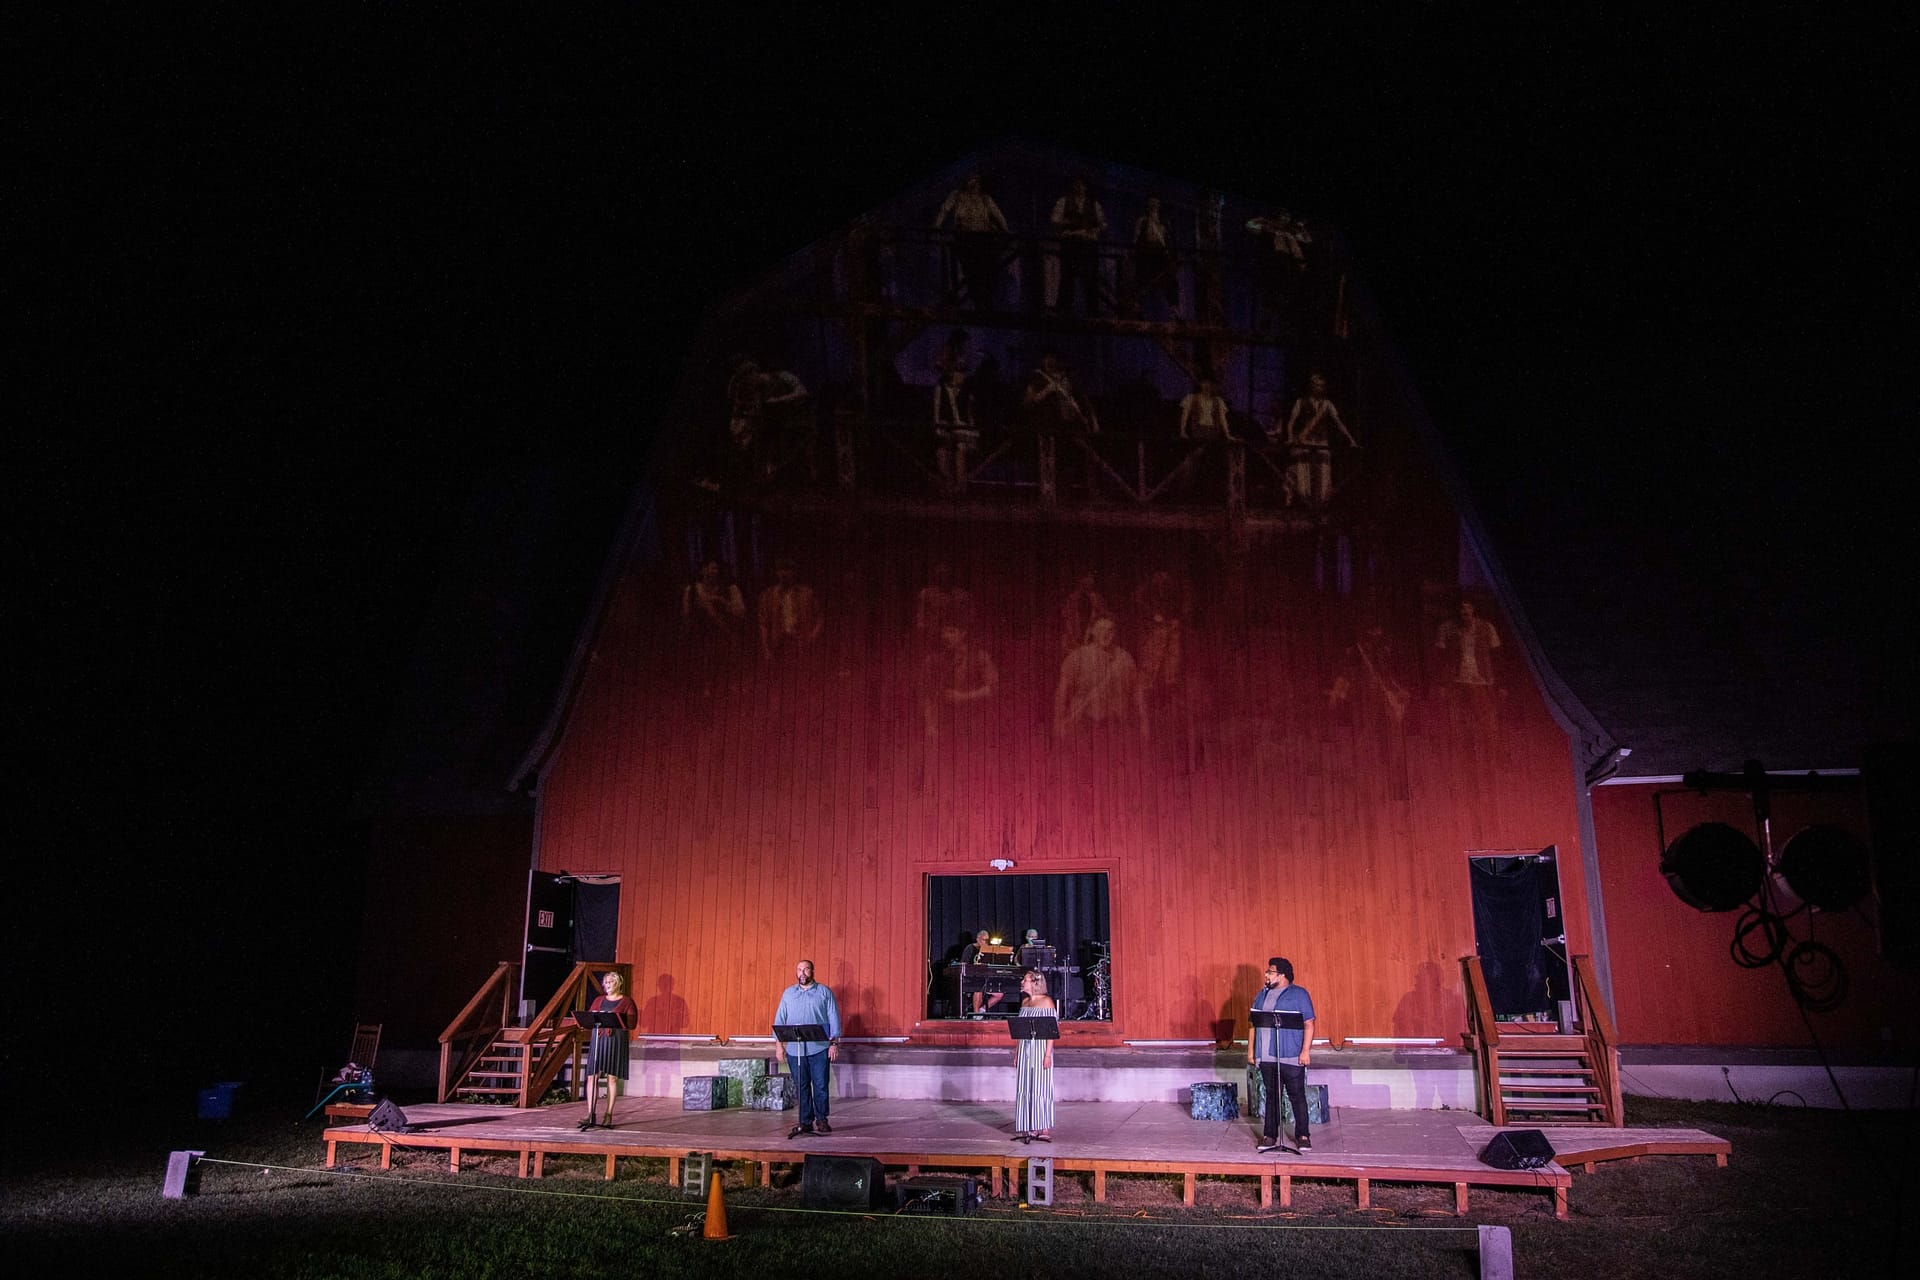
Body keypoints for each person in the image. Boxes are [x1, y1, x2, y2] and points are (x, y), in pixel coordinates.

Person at [1247, 956, 1317, 1153]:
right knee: (1271, 1096)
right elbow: (1253, 1024)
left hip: (1291, 1055)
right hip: (1266, 1057)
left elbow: (1309, 1023)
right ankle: (1270, 1135)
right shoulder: (1261, 995)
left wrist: (1305, 1051)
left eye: (1270, 972)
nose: (1266, 975)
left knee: (1297, 1096)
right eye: (1267, 972)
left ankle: (1303, 1135)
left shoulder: (1299, 994)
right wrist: (1251, 1051)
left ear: (1282, 975)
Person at [772, 959, 842, 1138]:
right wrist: (779, 1047)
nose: (802, 973)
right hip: (795, 1051)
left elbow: (834, 1018)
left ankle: (822, 1119)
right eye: (799, 970)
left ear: (812, 971)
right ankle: (805, 1121)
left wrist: (834, 1043)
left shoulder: (824, 992)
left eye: (806, 969)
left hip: (819, 1049)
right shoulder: (788, 994)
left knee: (820, 1085)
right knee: (801, 1086)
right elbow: (779, 1020)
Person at [569, 971, 638, 1130]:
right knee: (592, 1076)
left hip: (615, 1040)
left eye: (611, 982)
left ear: (618, 983)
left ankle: (608, 1114)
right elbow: (590, 1018)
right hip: (598, 1039)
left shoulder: (627, 1001)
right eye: (606, 982)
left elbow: (631, 1024)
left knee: (612, 1078)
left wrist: (617, 1020)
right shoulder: (598, 1000)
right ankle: (590, 1113)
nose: (607, 985)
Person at [931, 171, 1011, 309]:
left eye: (975, 180)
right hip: (965, 238)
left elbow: (998, 216)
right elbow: (944, 210)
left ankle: (983, 303)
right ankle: (975, 302)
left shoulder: (985, 199)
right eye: (971, 179)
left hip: (983, 239)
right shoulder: (957, 196)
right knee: (970, 271)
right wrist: (936, 227)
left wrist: (1006, 231)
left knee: (983, 272)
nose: (974, 183)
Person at [1048, 176, 1107, 315]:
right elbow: (1054, 219)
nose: (1079, 187)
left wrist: (1095, 231)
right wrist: (1067, 224)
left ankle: (1092, 312)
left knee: (1090, 278)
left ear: (1085, 187)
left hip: (1088, 244)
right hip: (1071, 243)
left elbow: (1103, 224)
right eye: (1076, 184)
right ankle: (1063, 311)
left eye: (1081, 185)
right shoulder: (1063, 201)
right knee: (1067, 277)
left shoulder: (1093, 204)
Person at [1012, 969, 1057, 1142]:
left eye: (1025, 980)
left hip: (1040, 1049)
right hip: (1025, 1049)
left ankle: (1044, 1126)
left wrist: (1047, 1055)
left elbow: (1051, 1031)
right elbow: (1019, 1032)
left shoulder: (1046, 1002)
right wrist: (1017, 1053)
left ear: (1035, 983)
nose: (1022, 982)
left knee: (1041, 1086)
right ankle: (1029, 1124)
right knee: (1025, 1087)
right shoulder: (1025, 1003)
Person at [963, 929, 1008, 1015]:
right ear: (978, 939)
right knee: (978, 988)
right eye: (984, 940)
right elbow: (964, 964)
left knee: (1000, 994)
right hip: (973, 978)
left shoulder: (989, 949)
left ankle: (982, 1010)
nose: (986, 942)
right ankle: (976, 1014)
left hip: (987, 978)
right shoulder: (970, 948)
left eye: (987, 940)